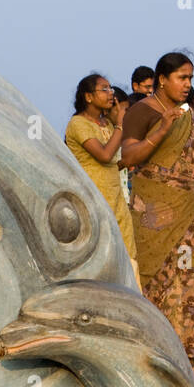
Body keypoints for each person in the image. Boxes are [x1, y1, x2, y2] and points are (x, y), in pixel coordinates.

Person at [119, 52, 194, 363]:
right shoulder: (142, 112)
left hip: (190, 214)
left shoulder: (190, 116)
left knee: (189, 279)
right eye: (181, 78)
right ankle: (157, 349)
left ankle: (188, 348)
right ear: (162, 79)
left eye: (190, 79)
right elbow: (129, 157)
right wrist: (161, 129)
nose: (187, 85)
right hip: (156, 215)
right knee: (157, 279)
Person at [63, 74, 139, 281]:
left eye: (110, 89)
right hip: (93, 198)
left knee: (127, 253)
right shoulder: (78, 124)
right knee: (101, 255)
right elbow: (105, 155)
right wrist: (120, 125)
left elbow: (118, 156)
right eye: (104, 89)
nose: (110, 94)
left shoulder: (107, 125)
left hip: (115, 198)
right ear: (88, 97)